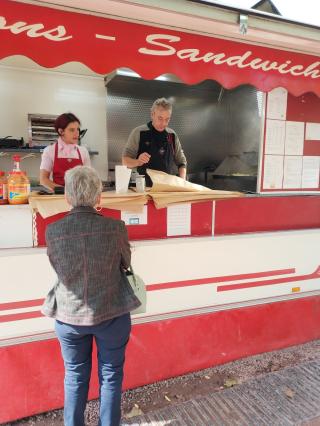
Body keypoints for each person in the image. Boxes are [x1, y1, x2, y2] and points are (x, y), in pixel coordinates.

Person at [41, 165, 140, 426]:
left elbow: (57, 266)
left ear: (68, 198)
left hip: (68, 317)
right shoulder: (116, 228)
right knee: (111, 375)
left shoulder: (53, 231)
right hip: (112, 313)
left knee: (75, 376)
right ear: (99, 197)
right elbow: (125, 263)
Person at [122, 97, 187, 186]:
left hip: (166, 188)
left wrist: (182, 181)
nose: (164, 123)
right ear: (152, 114)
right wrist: (138, 161)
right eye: (160, 118)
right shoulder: (139, 132)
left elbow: (182, 162)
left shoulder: (172, 135)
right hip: (143, 189)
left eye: (167, 119)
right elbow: (125, 161)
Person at [40, 112, 91, 190]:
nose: (77, 133)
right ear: (61, 131)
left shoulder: (83, 151)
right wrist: (64, 191)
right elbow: (43, 180)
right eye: (72, 130)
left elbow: (88, 177)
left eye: (77, 129)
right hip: (58, 197)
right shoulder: (50, 151)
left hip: (80, 198)